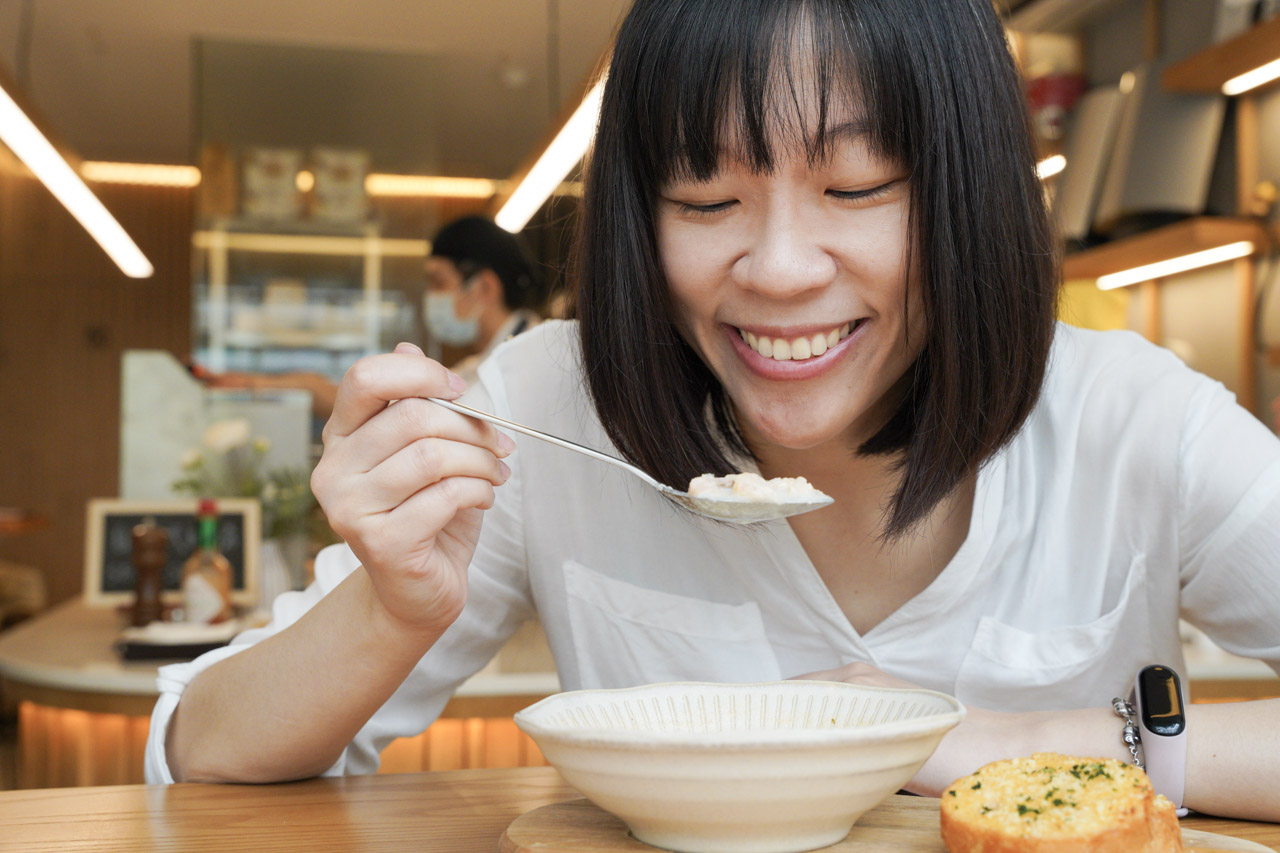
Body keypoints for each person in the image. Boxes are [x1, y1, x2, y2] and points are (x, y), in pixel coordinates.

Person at [148, 0, 1280, 819]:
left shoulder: (1130, 420)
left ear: (963, 192)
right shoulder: (547, 405)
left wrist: (1021, 742)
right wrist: (391, 608)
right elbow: (203, 752)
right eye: (706, 196)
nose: (780, 268)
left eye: (856, 187)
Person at [203, 215, 545, 418]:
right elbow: (376, 402)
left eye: (439, 282)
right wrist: (256, 384)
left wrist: (259, 385)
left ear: (484, 287)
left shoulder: (532, 359)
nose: (432, 297)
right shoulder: (482, 364)